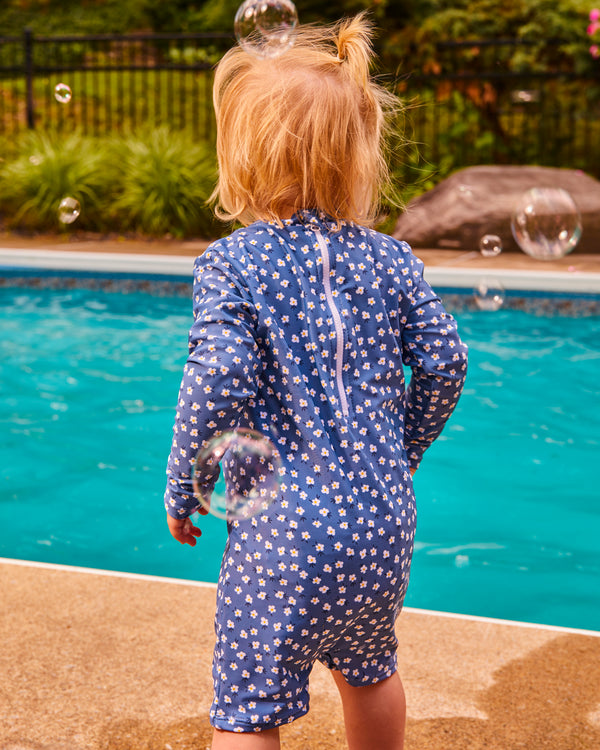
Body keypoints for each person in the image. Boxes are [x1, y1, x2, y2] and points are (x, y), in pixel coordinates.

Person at [164, 12, 468, 750]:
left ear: (244, 155)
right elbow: (445, 362)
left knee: (248, 706)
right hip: (383, 518)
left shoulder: (234, 262)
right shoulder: (393, 260)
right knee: (369, 668)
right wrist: (405, 445)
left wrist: (182, 482)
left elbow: (221, 376)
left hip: (282, 529)